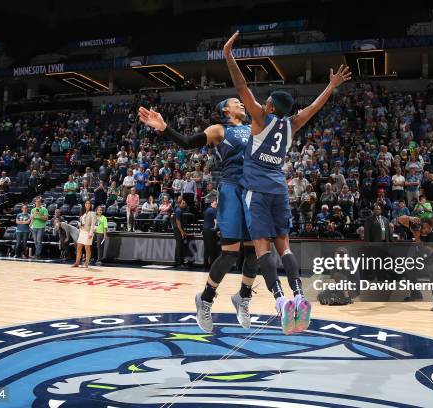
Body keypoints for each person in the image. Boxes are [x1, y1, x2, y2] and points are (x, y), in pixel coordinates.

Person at [223, 31, 351, 334]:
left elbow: (241, 86)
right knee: (285, 248)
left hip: (257, 191)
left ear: (269, 106)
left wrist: (229, 56)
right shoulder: (293, 124)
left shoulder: (259, 119)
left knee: (262, 249)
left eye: (266, 100)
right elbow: (315, 108)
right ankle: (299, 295)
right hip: (280, 190)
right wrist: (331, 86)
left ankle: (280, 302)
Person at [139, 95, 258, 334]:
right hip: (231, 189)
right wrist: (164, 128)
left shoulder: (254, 128)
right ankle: (205, 299)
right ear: (225, 110)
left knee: (256, 250)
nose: (242, 104)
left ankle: (243, 297)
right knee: (230, 254)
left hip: (253, 191)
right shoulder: (219, 130)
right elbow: (187, 142)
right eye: (236, 102)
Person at [407, 218, 433, 312]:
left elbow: (428, 251)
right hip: (420, 256)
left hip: (432, 257)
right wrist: (410, 218)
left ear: (430, 227)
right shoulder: (419, 230)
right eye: (422, 227)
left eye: (425, 228)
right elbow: (400, 219)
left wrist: (417, 238)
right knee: (410, 271)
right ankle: (416, 293)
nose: (423, 229)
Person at [72, 200, 96, 268]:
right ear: (84, 205)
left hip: (88, 232)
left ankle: (86, 263)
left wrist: (91, 233)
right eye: (86, 203)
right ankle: (77, 262)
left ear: (91, 205)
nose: (87, 204)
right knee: (79, 247)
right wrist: (79, 224)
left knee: (87, 248)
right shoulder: (82, 213)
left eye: (89, 203)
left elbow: (93, 224)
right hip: (82, 231)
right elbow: (81, 222)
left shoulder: (92, 213)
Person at [202, 199, 220, 268]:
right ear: (211, 204)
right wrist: (217, 229)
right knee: (212, 248)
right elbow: (216, 222)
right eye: (215, 204)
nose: (216, 206)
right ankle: (213, 265)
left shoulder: (207, 210)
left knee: (206, 248)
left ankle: (205, 264)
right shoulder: (213, 210)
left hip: (204, 230)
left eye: (217, 204)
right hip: (210, 230)